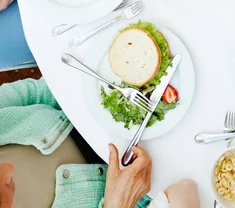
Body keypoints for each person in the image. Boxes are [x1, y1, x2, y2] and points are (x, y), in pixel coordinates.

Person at [0, 77, 199, 208]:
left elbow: (38, 92)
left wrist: (102, 88)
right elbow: (184, 193)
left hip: (125, 107)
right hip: (168, 172)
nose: (9, 167)